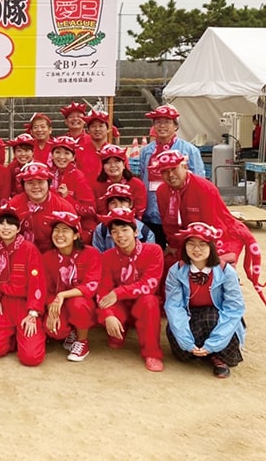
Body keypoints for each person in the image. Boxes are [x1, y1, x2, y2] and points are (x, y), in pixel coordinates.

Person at [153, 149, 265, 304]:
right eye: (165, 171)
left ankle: (225, 300)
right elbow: (168, 223)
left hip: (218, 234)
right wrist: (173, 244)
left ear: (184, 167)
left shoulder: (205, 188)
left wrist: (196, 251)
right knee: (169, 263)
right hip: (187, 237)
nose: (170, 175)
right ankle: (174, 304)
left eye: (174, 169)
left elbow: (211, 225)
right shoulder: (162, 191)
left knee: (214, 267)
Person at [164, 222, 245, 379]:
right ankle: (197, 351)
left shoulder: (226, 271)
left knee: (211, 317)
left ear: (211, 246)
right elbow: (174, 306)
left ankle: (218, 357)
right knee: (181, 349)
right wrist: (186, 342)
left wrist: (214, 344)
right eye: (191, 244)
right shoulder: (177, 270)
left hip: (218, 315)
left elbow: (234, 307)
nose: (196, 249)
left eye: (202, 244)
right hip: (188, 313)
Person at [96, 208, 164, 372]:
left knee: (150, 301)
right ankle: (121, 327)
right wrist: (109, 315)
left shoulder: (154, 251)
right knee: (113, 336)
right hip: (120, 304)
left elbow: (150, 284)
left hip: (142, 303)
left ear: (136, 232)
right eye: (114, 231)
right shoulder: (107, 256)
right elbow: (103, 290)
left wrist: (118, 292)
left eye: (125, 230)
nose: (120, 235)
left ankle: (151, 353)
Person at [0, 206, 46, 366]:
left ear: (18, 228)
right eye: (1, 223)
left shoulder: (29, 249)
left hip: (25, 305)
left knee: (31, 358)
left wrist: (33, 312)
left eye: (10, 223)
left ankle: (33, 337)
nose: (5, 227)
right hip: (5, 305)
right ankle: (15, 339)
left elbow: (37, 282)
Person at [138, 104, 204, 248]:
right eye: (158, 122)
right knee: (155, 250)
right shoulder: (146, 151)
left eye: (167, 122)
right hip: (151, 213)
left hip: (181, 214)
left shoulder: (189, 150)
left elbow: (199, 182)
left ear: (176, 126)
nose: (162, 126)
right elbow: (142, 177)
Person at [41, 211, 101, 362]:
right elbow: (45, 289)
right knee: (54, 330)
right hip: (59, 303)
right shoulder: (47, 258)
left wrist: (63, 295)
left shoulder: (91, 254)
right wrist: (51, 306)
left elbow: (91, 285)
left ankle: (82, 341)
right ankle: (72, 330)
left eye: (65, 230)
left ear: (76, 235)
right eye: (56, 230)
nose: (59, 235)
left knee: (78, 303)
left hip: (83, 303)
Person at [8, 161, 76, 253]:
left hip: (54, 255)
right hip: (22, 254)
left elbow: (72, 241)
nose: (36, 186)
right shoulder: (13, 205)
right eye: (30, 182)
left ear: (48, 184)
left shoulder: (64, 207)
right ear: (23, 185)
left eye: (40, 182)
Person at [50, 136, 97, 238]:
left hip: (80, 229)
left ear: (73, 157)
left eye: (67, 153)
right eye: (57, 152)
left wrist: (67, 198)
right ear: (52, 155)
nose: (61, 157)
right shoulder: (49, 175)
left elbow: (91, 210)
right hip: (56, 227)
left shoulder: (78, 176)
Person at [92, 184, 155, 253]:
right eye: (112, 203)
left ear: (130, 204)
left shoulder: (145, 232)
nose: (118, 206)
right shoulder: (101, 230)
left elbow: (149, 256)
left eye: (122, 202)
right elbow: (98, 256)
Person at [92, 144, 147, 217]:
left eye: (117, 161)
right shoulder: (97, 186)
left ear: (124, 164)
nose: (112, 165)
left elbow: (139, 210)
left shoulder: (137, 184)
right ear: (103, 167)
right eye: (107, 162)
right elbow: (99, 211)